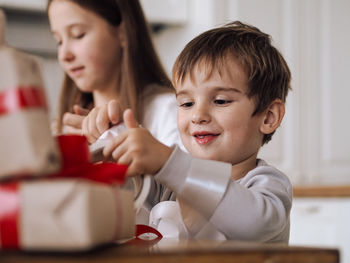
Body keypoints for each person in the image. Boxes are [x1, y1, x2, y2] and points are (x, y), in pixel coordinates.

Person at [100, 21, 293, 243]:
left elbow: (252, 223)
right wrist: (113, 141)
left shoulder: (266, 184)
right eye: (186, 103)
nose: (198, 115)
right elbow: (123, 196)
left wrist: (169, 162)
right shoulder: (167, 187)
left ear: (269, 117)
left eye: (220, 101)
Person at [47, 0, 182, 150]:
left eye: (78, 34)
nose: (64, 55)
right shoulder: (63, 128)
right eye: (59, 41)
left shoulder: (170, 112)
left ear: (123, 32)